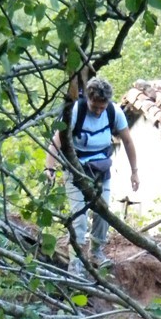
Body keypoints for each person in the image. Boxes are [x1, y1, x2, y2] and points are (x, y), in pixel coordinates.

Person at [46, 77, 139, 275]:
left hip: (100, 170)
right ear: (87, 99)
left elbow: (129, 142)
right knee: (79, 218)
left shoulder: (114, 112)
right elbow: (56, 142)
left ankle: (96, 252)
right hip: (76, 170)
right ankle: (76, 263)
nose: (98, 111)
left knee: (102, 212)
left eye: (101, 107)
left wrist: (135, 172)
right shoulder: (75, 112)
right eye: (94, 106)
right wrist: (50, 168)